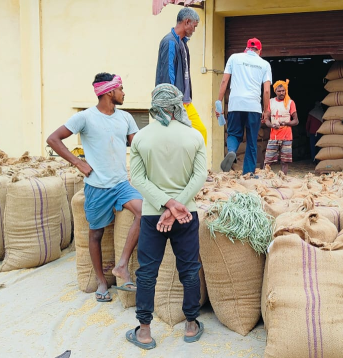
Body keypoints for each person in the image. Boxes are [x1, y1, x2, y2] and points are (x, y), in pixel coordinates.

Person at [46, 72, 143, 302]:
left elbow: (139, 145)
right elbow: (53, 139)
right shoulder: (85, 118)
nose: (123, 93)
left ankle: (121, 265)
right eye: (121, 89)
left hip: (121, 184)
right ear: (109, 91)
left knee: (143, 212)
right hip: (97, 187)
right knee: (96, 234)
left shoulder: (126, 117)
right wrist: (78, 162)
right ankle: (101, 282)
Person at [125, 84, 207, 350]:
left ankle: (144, 332)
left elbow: (138, 179)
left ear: (155, 105)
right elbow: (200, 176)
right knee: (189, 269)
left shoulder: (141, 138)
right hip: (186, 215)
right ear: (177, 105)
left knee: (147, 272)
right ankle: (191, 325)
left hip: (152, 215)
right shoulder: (194, 136)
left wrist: (166, 206)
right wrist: (177, 206)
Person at [216, 38, 272, 175]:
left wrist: (219, 103)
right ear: (259, 50)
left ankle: (231, 151)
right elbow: (266, 91)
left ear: (246, 48)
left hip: (235, 104)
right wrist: (266, 110)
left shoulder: (234, 58)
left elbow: (224, 82)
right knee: (252, 141)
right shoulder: (264, 64)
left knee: (233, 134)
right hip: (254, 106)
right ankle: (248, 173)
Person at [156, 7, 208, 144]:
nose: (194, 30)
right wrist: (170, 106)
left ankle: (197, 160)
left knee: (201, 132)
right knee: (175, 140)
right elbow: (168, 75)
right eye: (194, 26)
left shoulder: (183, 43)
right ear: (187, 22)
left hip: (185, 102)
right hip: (174, 103)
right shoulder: (170, 42)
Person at [263, 80, 298, 175]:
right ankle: (264, 178)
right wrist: (272, 125)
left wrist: (286, 123)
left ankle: (283, 179)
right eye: (279, 91)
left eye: (283, 90)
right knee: (268, 161)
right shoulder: (271, 102)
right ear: (275, 91)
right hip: (274, 136)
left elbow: (296, 121)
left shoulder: (290, 103)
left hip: (287, 136)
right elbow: (266, 119)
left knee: (284, 161)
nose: (282, 93)